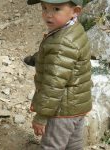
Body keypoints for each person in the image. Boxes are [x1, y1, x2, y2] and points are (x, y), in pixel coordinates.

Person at [27, 0, 92, 149]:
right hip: (77, 105)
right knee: (73, 145)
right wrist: (39, 58)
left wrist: (42, 116)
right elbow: (64, 59)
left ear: (75, 11)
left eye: (56, 9)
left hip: (60, 110)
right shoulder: (74, 29)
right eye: (44, 8)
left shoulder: (62, 42)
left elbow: (53, 85)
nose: (48, 15)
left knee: (51, 145)